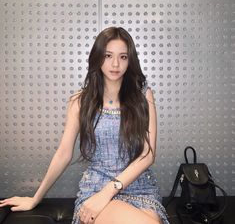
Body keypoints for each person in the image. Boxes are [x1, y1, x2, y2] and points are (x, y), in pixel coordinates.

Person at [0, 27, 169, 224]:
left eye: (123, 57)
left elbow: (148, 155)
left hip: (141, 188)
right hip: (96, 189)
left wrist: (109, 192)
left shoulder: (143, 96)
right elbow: (63, 154)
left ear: (130, 60)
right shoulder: (80, 101)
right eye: (108, 55)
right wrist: (36, 197)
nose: (115, 64)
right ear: (98, 57)